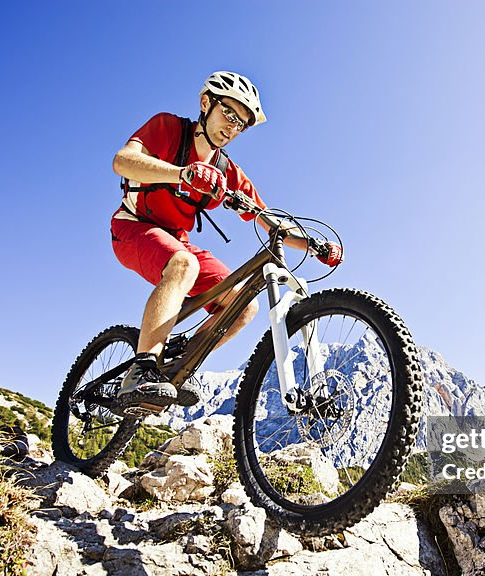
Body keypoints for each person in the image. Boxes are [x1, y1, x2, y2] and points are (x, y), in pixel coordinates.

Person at [110, 71, 342, 412]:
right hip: (133, 226)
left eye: (242, 124)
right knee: (183, 264)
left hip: (177, 241)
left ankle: (178, 367)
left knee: (243, 306)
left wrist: (313, 245)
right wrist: (183, 173)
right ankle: (142, 369)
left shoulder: (227, 171)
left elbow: (268, 220)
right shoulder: (169, 129)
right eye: (229, 114)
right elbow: (123, 162)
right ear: (206, 104)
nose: (233, 127)